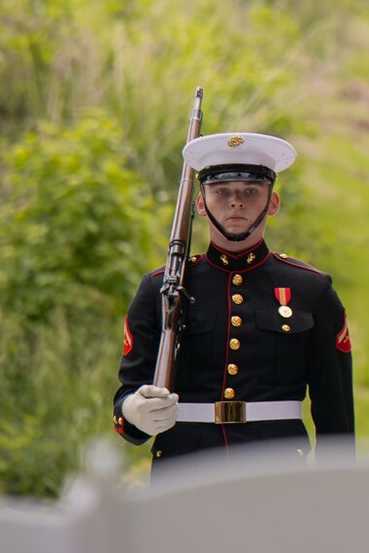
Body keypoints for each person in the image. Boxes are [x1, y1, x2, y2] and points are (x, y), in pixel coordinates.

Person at [113, 131, 354, 472]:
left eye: (251, 191)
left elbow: (336, 414)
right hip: (185, 472)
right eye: (221, 191)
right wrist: (135, 412)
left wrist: (338, 494)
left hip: (277, 472)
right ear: (200, 203)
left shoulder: (311, 289)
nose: (236, 201)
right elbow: (126, 405)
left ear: (273, 202)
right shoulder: (160, 289)